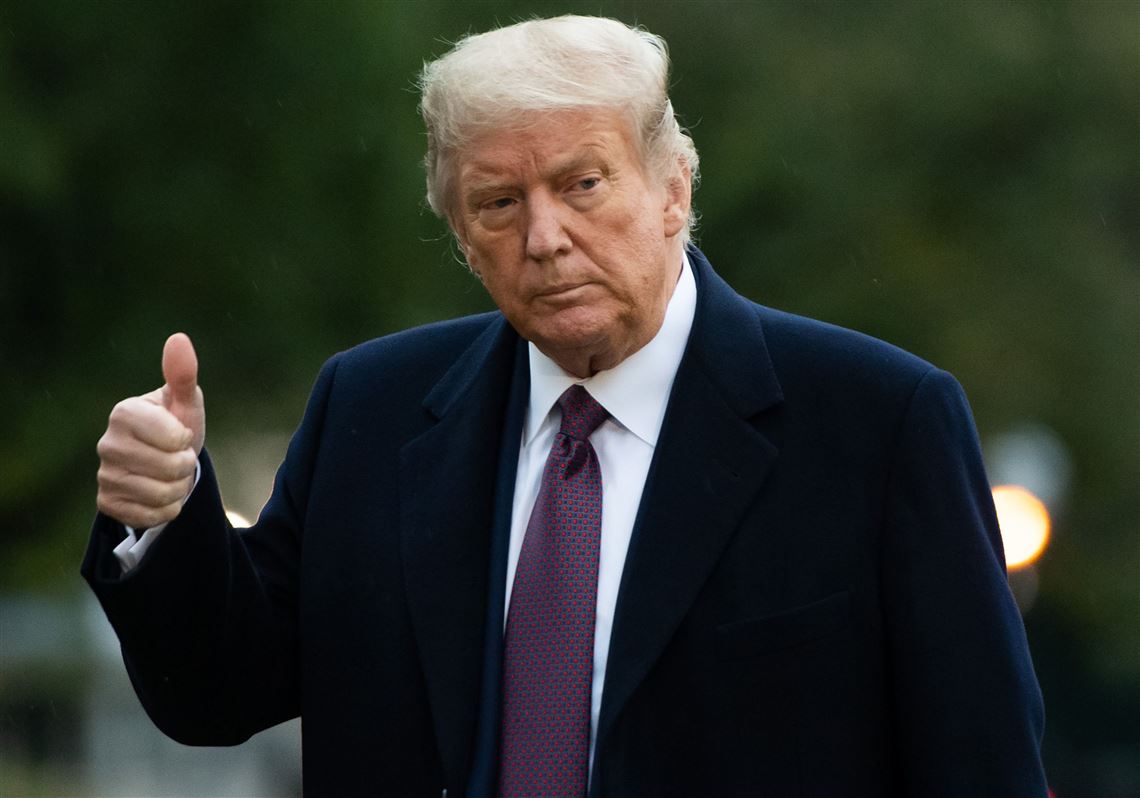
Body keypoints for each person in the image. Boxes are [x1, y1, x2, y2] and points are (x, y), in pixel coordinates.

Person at [84, 15, 1047, 798]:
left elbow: (981, 761)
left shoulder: (878, 422)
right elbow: (216, 694)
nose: (544, 237)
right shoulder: (371, 411)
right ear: (461, 234)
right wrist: (162, 517)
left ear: (673, 189)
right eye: (497, 203)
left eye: (582, 185)